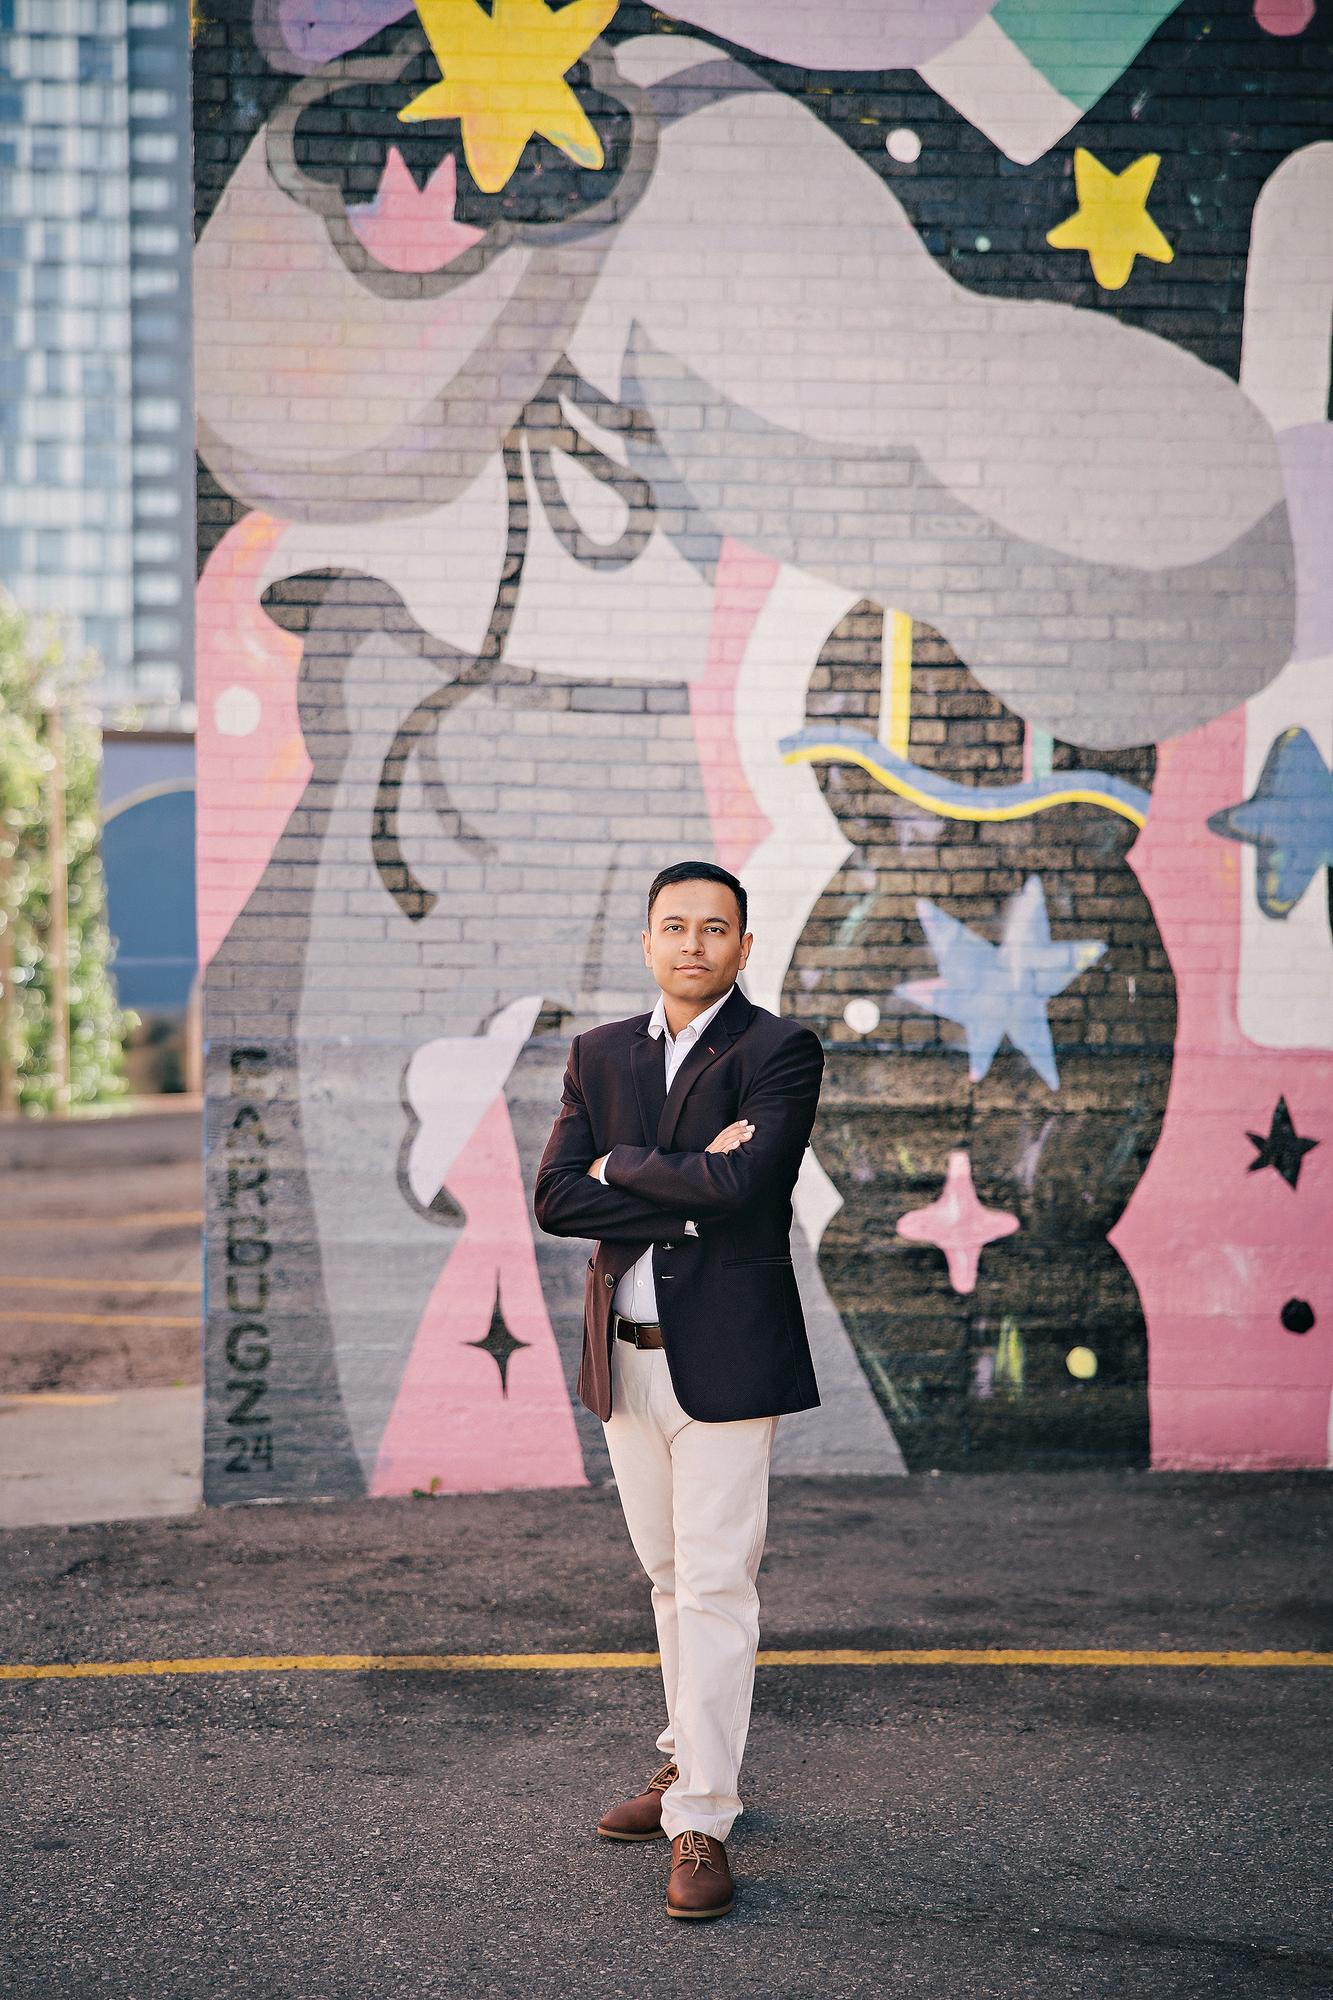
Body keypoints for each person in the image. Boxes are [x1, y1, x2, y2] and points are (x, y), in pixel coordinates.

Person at [533, 859, 825, 1920]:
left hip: (729, 1360)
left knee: (713, 1581)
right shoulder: (597, 1051)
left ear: (744, 946)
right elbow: (556, 1197)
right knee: (665, 1573)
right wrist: (672, 1170)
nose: (693, 942)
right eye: (674, 925)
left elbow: (749, 1188)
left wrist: (621, 1168)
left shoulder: (778, 1049)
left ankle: (701, 1811)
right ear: (647, 941)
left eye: (715, 927)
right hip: (626, 1357)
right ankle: (680, 1754)